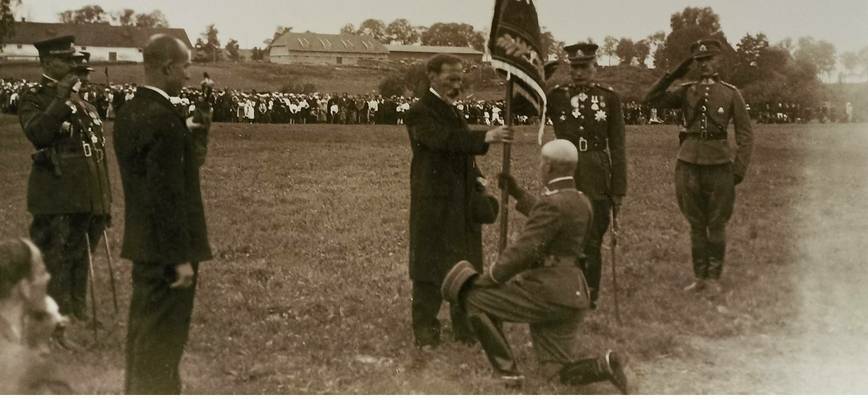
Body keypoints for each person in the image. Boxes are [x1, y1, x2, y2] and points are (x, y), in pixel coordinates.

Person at [457, 140, 628, 393]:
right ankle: (603, 366)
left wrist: (490, 277)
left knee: (472, 297)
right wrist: (518, 194)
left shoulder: (552, 204)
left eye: (541, 162)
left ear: (548, 167)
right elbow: (554, 216)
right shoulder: (582, 201)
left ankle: (508, 375)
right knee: (555, 374)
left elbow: (524, 250)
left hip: (544, 293)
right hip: (573, 295)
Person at [113, 34, 212, 394]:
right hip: (169, 252)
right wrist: (181, 259)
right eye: (185, 66)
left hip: (143, 245)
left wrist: (193, 137)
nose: (188, 75)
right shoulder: (166, 122)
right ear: (168, 67)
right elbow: (168, 197)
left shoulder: (130, 113)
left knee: (143, 332)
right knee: (165, 341)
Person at [405, 54, 513, 349]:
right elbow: (442, 141)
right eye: (450, 78)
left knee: (464, 265)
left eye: (459, 78)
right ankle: (426, 331)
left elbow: (458, 149)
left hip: (460, 202)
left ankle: (465, 328)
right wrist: (487, 136)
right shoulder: (419, 111)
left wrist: (476, 175)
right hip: (434, 204)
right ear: (431, 76)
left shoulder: (452, 110)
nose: (456, 84)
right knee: (429, 270)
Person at [17, 35, 112, 328]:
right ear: (46, 62)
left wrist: (103, 198)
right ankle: (52, 321)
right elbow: (39, 133)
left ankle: (75, 310)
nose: (72, 65)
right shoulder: (34, 97)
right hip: (56, 192)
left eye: (73, 59)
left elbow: (95, 148)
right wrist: (60, 99)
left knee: (80, 253)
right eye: (65, 60)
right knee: (54, 257)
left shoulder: (80, 100)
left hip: (84, 192)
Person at [644, 39, 753, 293]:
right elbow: (650, 100)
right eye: (699, 61)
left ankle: (713, 277)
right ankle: (699, 277)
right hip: (688, 163)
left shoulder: (731, 93)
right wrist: (676, 73)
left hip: (719, 164)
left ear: (719, 61)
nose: (704, 65)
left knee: (716, 222)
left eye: (709, 60)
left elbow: (746, 134)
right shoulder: (686, 90)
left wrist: (739, 168)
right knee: (695, 222)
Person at [546, 42, 626, 308]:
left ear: (595, 67)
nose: (579, 72)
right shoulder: (557, 95)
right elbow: (522, 105)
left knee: (592, 233)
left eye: (584, 67)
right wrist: (540, 76)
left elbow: (617, 145)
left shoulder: (609, 98)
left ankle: (590, 293)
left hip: (595, 168)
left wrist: (618, 188)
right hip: (564, 167)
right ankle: (566, 289)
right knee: (563, 228)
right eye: (574, 67)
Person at [1, 238, 72, 394]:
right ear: (25, 287)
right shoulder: (34, 370)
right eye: (42, 272)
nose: (48, 277)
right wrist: (40, 347)